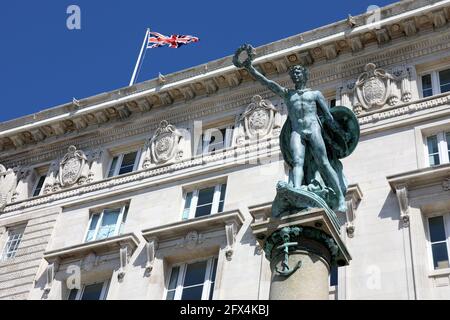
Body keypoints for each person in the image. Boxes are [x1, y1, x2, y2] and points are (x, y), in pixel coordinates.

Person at [233, 45, 347, 212]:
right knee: (297, 162)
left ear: (305, 76)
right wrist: (250, 68)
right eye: (293, 74)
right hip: (297, 131)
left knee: (323, 163)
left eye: (299, 73)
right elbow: (268, 83)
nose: (296, 75)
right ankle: (298, 190)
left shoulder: (315, 94)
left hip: (313, 129)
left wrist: (339, 134)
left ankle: (340, 198)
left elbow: (328, 117)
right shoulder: (288, 94)